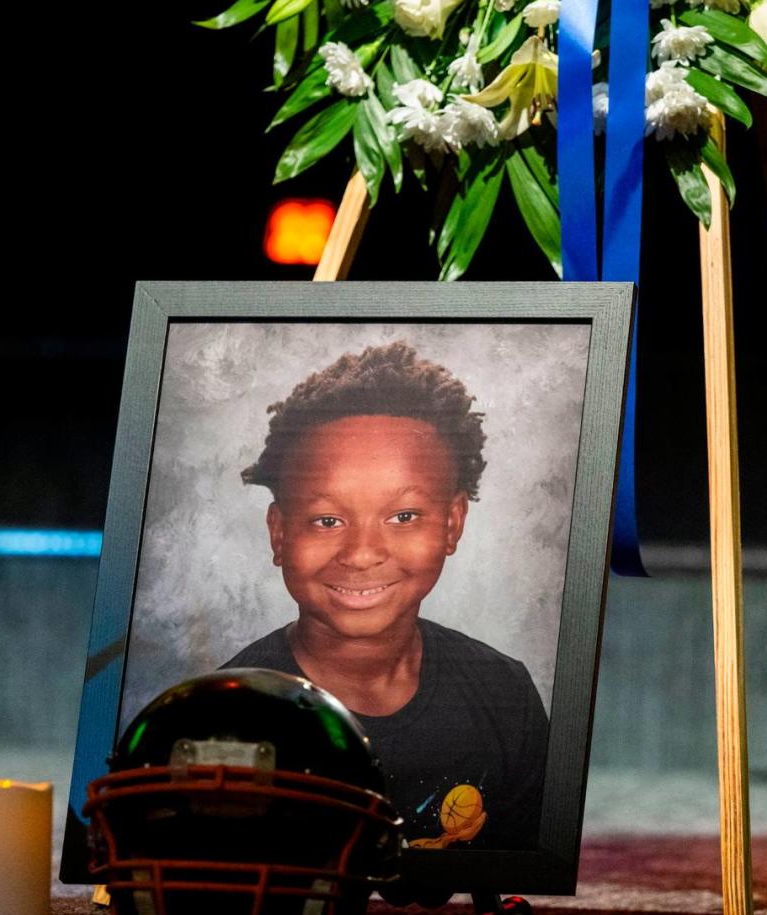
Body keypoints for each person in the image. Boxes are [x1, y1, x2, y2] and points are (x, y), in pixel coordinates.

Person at [221, 342, 549, 850]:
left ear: (452, 523)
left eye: (403, 517)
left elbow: (524, 854)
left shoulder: (503, 695)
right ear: (280, 533)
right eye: (327, 520)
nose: (362, 553)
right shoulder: (230, 714)